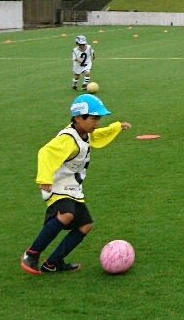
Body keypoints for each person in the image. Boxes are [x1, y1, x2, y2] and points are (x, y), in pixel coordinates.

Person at [20, 94, 131, 275]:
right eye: (94, 118)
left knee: (85, 225)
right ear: (78, 118)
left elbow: (97, 136)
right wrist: (45, 179)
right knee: (67, 214)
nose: (97, 122)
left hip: (73, 187)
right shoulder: (68, 138)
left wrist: (116, 127)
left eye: (99, 118)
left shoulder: (85, 133)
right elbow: (46, 152)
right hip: (57, 185)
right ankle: (31, 254)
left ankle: (52, 264)